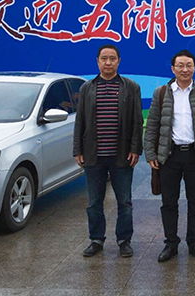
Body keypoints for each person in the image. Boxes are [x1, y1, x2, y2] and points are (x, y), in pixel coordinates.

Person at [144, 50, 195, 263]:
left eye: (189, 65)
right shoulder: (161, 93)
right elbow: (152, 125)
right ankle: (171, 243)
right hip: (169, 156)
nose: (184, 69)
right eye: (180, 65)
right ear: (173, 69)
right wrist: (150, 153)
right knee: (169, 202)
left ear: (194, 68)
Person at [73, 44, 143, 258]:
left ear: (119, 61)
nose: (108, 62)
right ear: (97, 61)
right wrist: (78, 150)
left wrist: (135, 149)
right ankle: (96, 239)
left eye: (112, 58)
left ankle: (124, 240)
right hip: (94, 155)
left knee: (125, 202)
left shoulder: (130, 87)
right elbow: (80, 121)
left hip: (121, 155)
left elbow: (137, 121)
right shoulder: (87, 88)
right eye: (104, 58)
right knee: (94, 202)